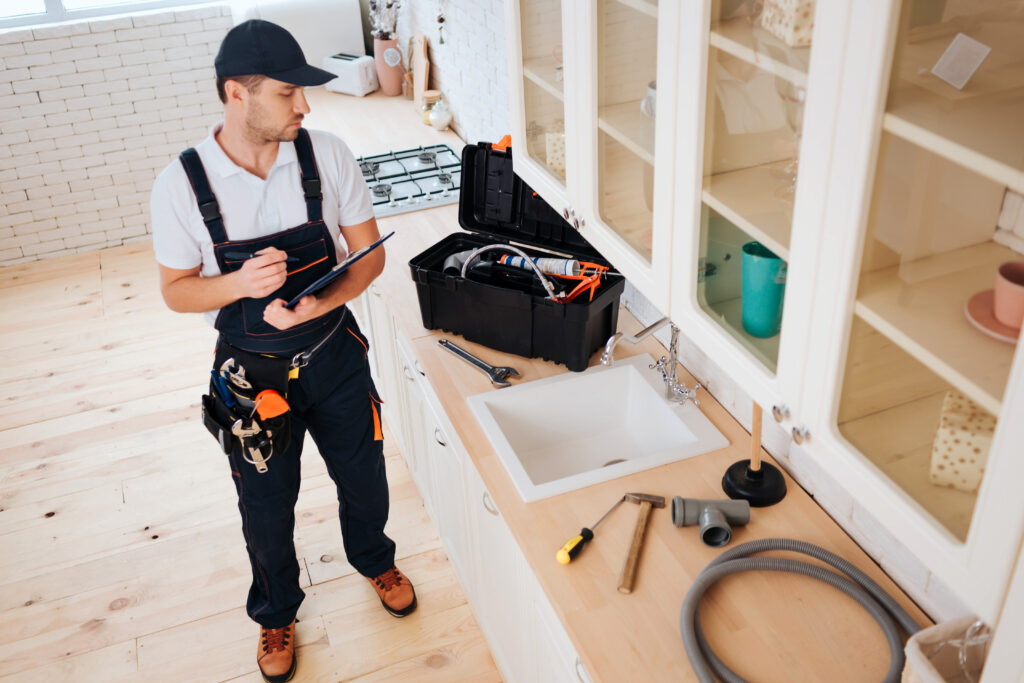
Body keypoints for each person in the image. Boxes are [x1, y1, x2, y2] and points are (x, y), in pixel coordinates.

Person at [150, 19, 415, 683]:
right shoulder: (181, 185)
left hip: (334, 352)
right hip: (249, 374)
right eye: (288, 92)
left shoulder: (326, 155)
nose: (303, 105)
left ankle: (374, 558)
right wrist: (238, 282)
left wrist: (322, 302)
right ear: (237, 94)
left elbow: (367, 257)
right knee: (264, 503)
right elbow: (176, 294)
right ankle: (276, 609)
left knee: (364, 474)